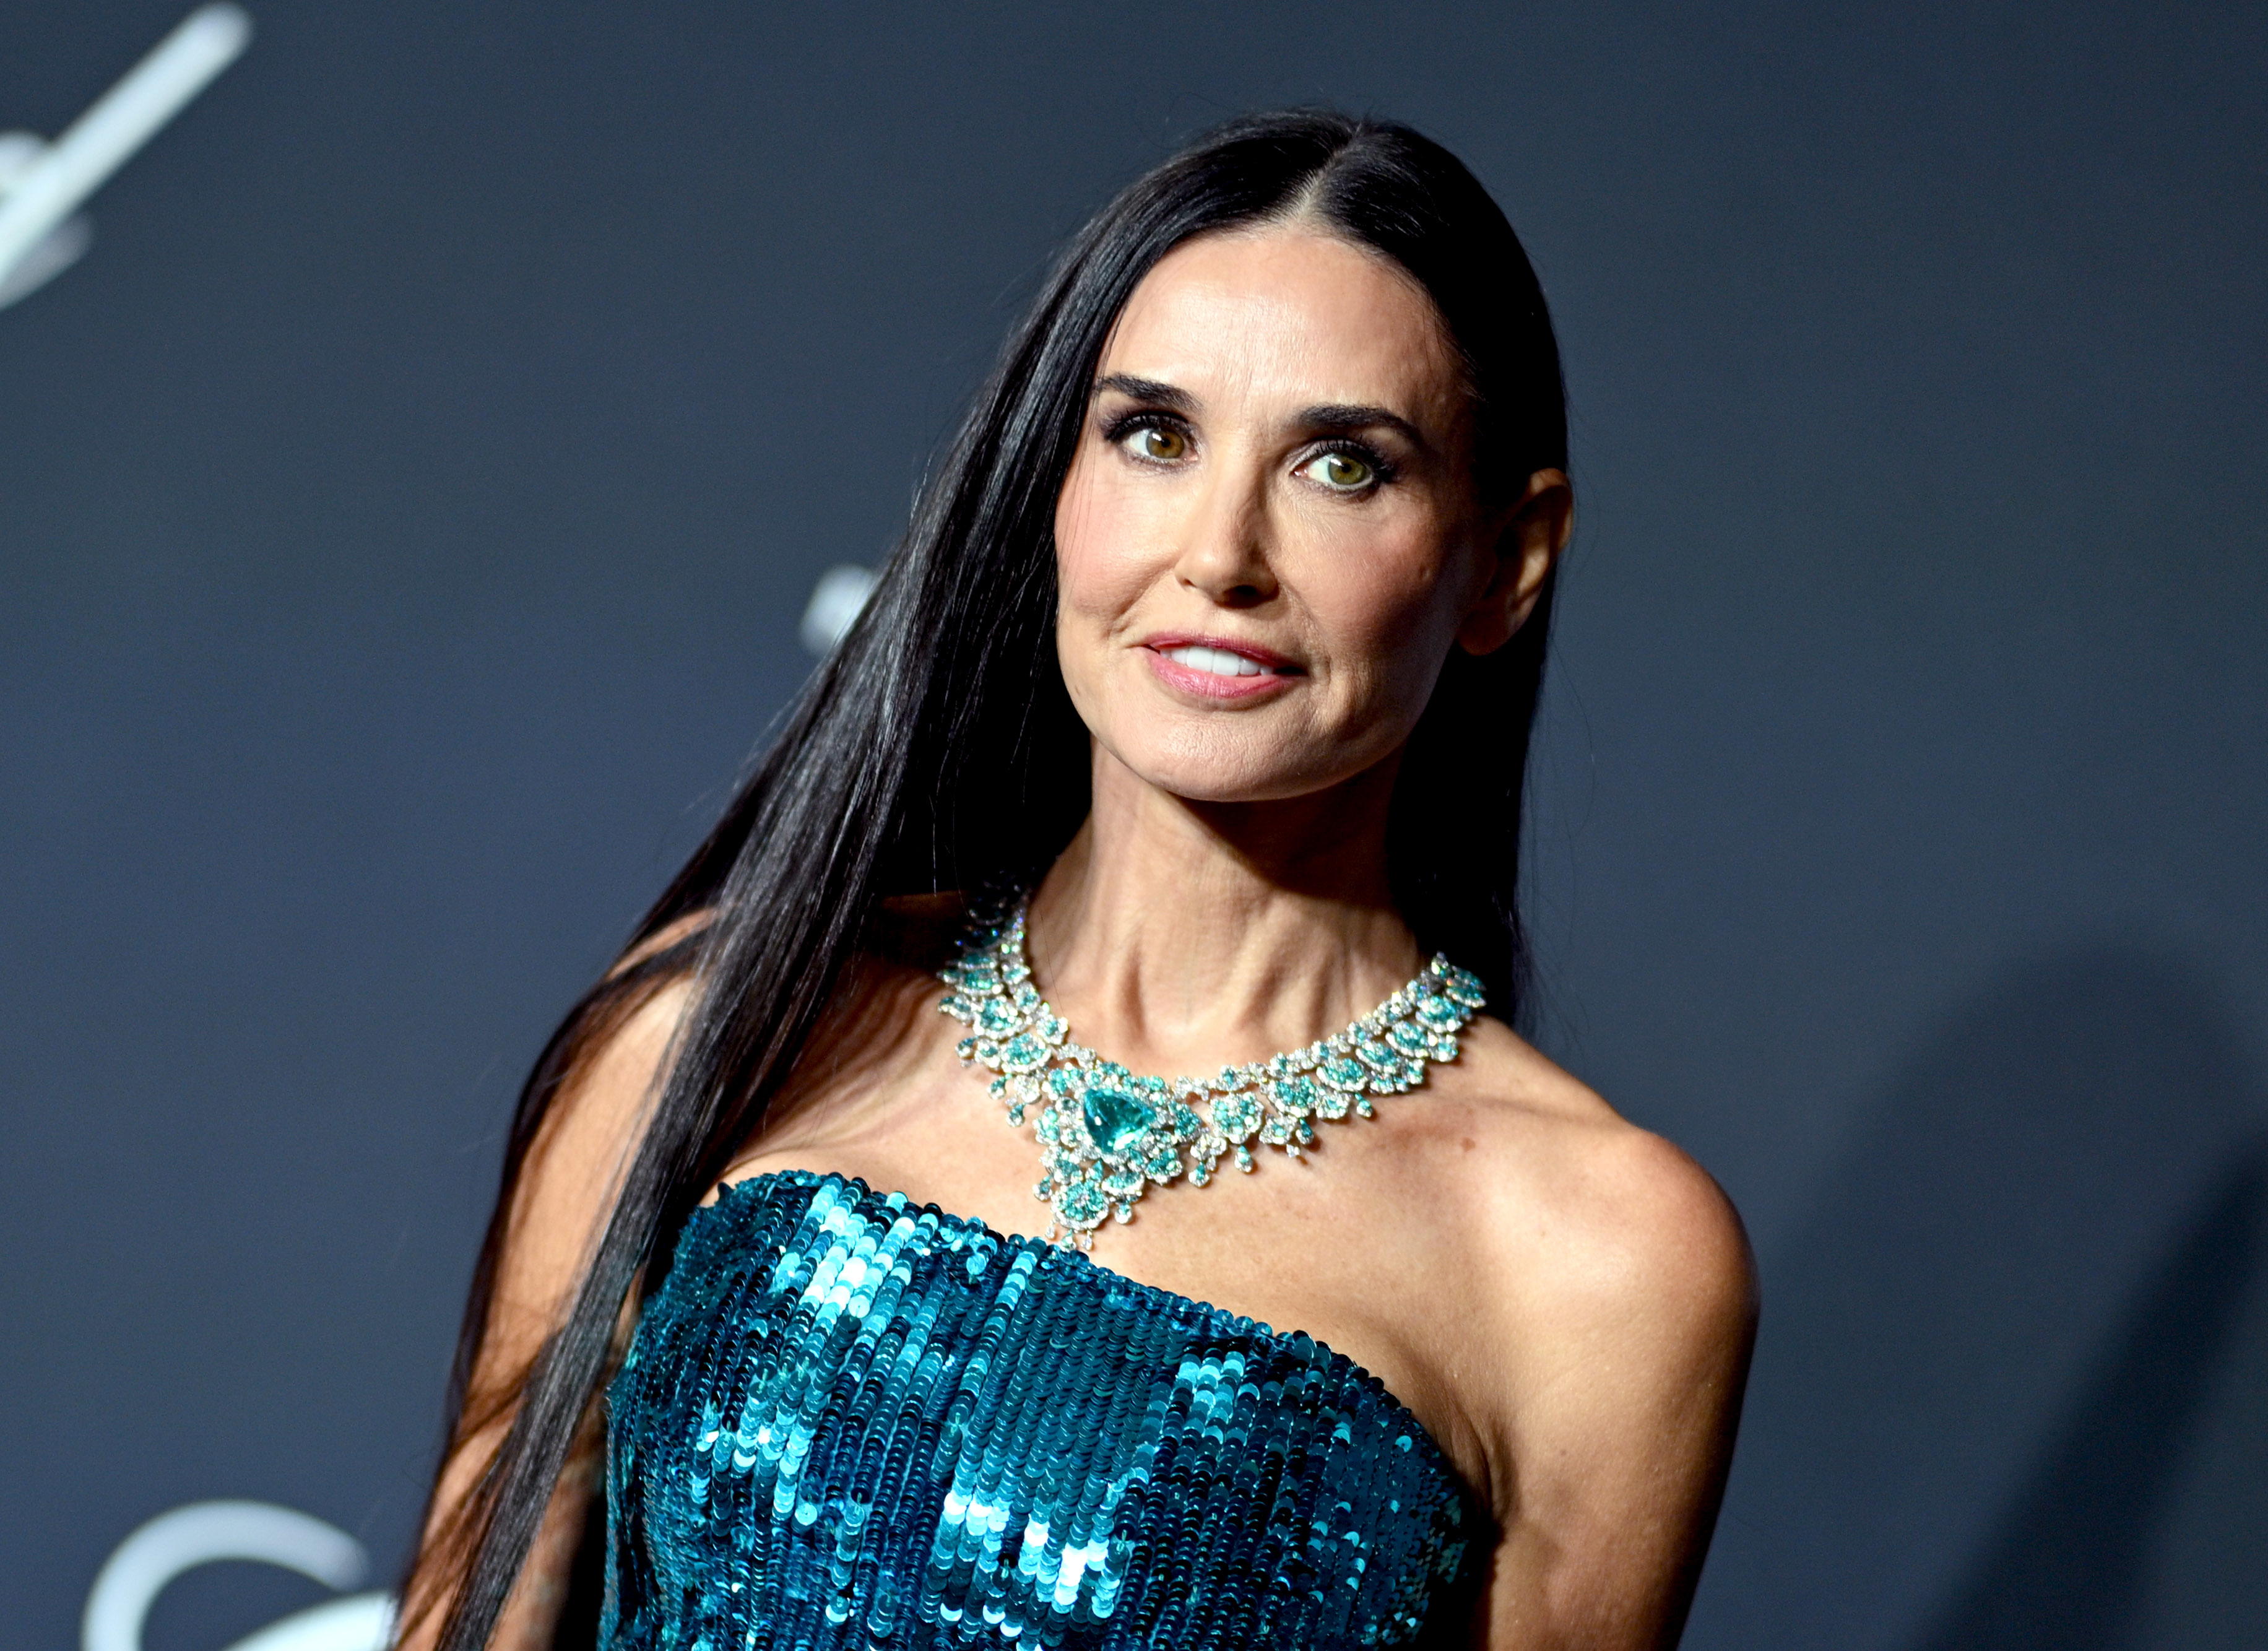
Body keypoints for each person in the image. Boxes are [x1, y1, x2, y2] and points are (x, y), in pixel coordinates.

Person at [398, 108, 1756, 1651]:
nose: (1220, 554)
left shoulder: (1598, 1257)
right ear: (1057, 481)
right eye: (1153, 435)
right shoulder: (719, 1029)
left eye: (1339, 464)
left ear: (1506, 558)